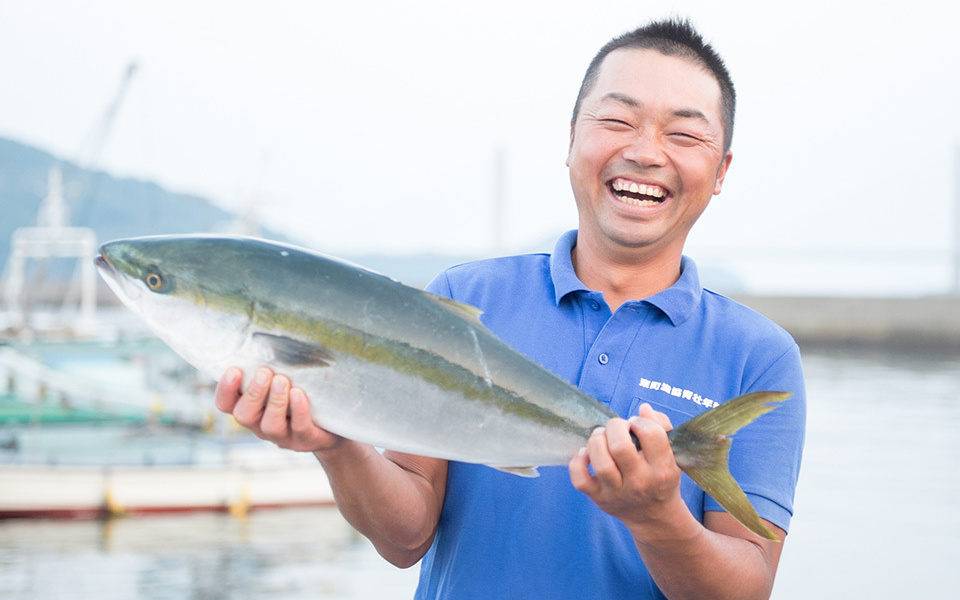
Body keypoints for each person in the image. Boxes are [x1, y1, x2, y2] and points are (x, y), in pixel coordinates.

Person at [215, 17, 806, 600]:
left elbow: (746, 591)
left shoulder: (757, 357)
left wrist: (657, 517)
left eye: (683, 134)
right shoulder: (467, 298)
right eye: (619, 120)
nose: (645, 152)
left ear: (722, 169)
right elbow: (405, 538)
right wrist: (336, 440)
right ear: (572, 137)